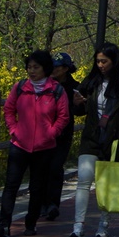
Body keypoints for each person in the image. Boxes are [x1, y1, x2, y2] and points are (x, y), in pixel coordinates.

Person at [0, 50, 70, 237]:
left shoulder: (56, 90)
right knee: (11, 185)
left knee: (37, 187)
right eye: (29, 67)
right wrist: (14, 130)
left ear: (45, 69)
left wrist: (51, 133)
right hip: (19, 145)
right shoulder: (20, 87)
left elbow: (63, 117)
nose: (32, 71)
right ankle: (4, 224)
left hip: (44, 148)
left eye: (36, 67)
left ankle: (31, 222)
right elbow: (9, 110)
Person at [69, 42, 119, 237]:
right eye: (97, 61)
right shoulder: (92, 81)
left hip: (114, 140)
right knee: (84, 179)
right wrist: (77, 104)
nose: (100, 65)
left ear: (114, 61)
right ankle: (78, 227)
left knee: (106, 185)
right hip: (92, 137)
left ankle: (103, 225)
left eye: (104, 61)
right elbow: (81, 110)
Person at [43, 51, 79, 222]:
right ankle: (41, 203)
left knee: (55, 167)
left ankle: (52, 205)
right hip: (43, 133)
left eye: (56, 66)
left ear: (65, 68)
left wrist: (79, 104)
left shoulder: (74, 87)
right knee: (42, 168)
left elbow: (81, 111)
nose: (53, 70)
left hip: (63, 134)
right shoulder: (44, 85)